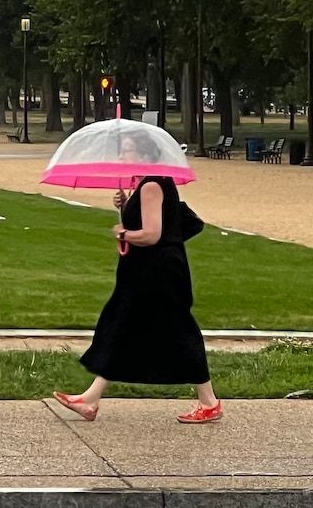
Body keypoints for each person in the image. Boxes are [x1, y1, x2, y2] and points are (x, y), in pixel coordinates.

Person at [55, 142, 222, 425]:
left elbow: (152, 235)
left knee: (173, 330)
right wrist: (126, 204)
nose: (123, 155)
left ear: (144, 155)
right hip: (147, 272)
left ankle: (209, 402)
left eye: (128, 150)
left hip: (158, 274)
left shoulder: (151, 186)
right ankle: (90, 399)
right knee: (126, 326)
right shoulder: (146, 185)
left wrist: (124, 233)